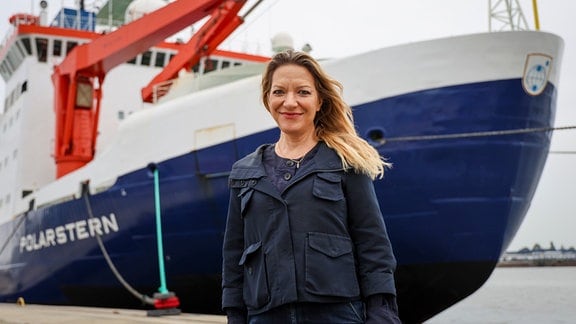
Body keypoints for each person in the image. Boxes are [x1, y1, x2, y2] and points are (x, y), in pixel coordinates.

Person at [221, 50, 401, 323]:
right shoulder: (244, 173)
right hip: (266, 316)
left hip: (337, 315)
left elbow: (372, 244)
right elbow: (233, 255)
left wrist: (381, 313)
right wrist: (235, 316)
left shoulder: (346, 162)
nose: (289, 102)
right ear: (268, 99)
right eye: (279, 92)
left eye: (303, 92)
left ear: (319, 101)